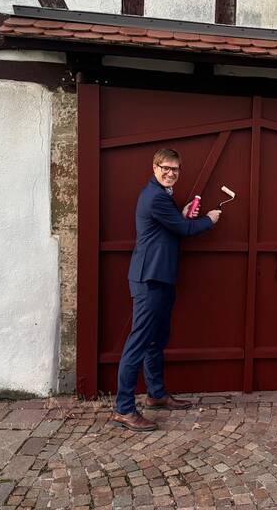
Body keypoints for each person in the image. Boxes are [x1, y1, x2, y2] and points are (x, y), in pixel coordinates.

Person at [111, 148, 222, 431]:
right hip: (149, 279)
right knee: (138, 342)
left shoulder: (163, 196)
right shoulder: (155, 197)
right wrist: (208, 220)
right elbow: (183, 231)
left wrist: (181, 214)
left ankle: (156, 395)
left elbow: (170, 226)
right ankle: (124, 408)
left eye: (175, 169)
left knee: (156, 340)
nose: (170, 173)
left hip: (161, 277)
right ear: (154, 167)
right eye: (166, 168)